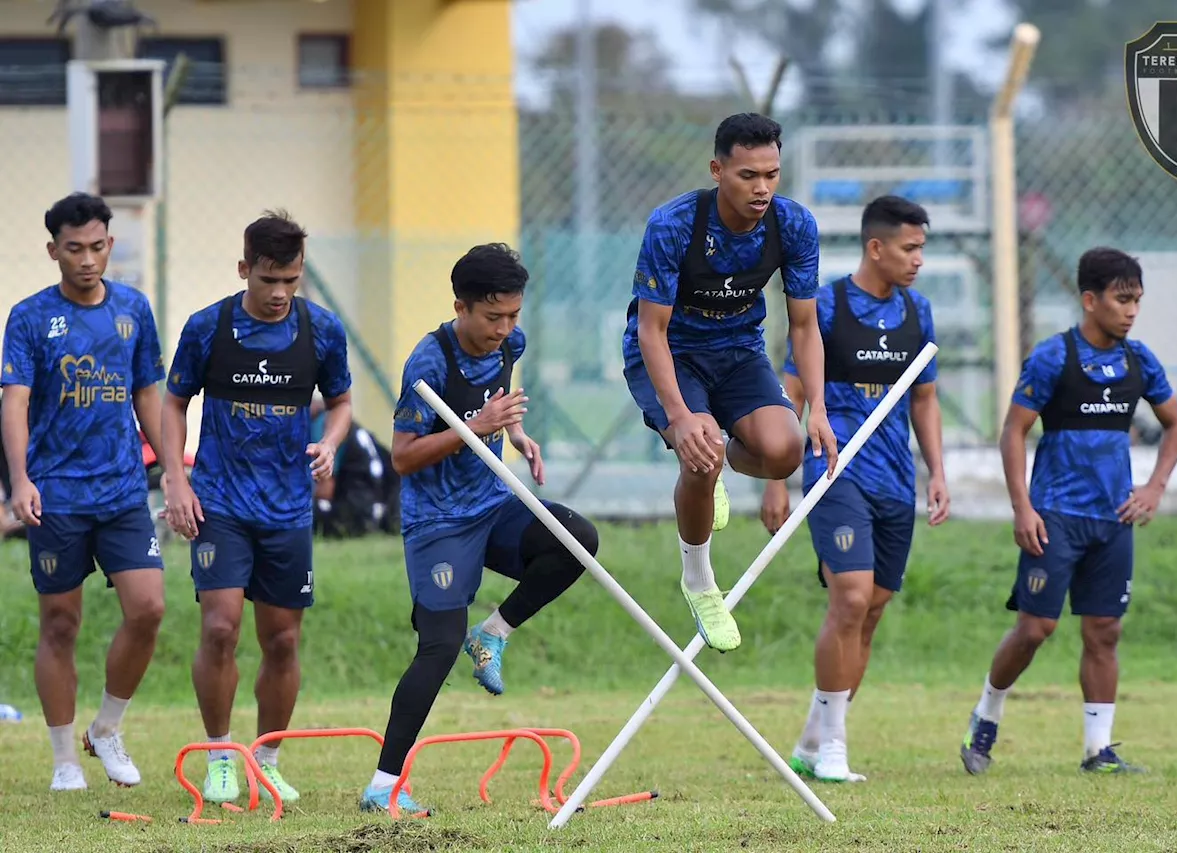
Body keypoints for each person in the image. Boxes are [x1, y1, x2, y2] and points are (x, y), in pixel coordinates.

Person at [359, 243, 595, 814]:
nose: (505, 328)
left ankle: (493, 632)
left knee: (577, 540)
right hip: (438, 522)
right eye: (493, 317)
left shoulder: (509, 343)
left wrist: (514, 434)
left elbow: (498, 401)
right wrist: (476, 424)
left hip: (492, 504)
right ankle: (384, 784)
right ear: (461, 307)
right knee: (437, 648)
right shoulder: (429, 362)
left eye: (514, 315)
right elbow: (403, 457)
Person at [959, 247, 1177, 775]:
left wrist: (1154, 486)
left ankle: (1097, 750)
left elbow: (1176, 424)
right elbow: (1014, 431)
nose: (1131, 311)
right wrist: (1022, 507)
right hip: (1055, 515)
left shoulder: (1139, 361)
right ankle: (985, 715)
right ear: (1090, 300)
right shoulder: (1053, 357)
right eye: (1121, 299)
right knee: (1036, 628)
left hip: (1114, 519)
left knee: (1104, 630)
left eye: (1137, 301)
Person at [622, 112, 837, 653]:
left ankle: (716, 459)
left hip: (739, 350)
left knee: (784, 452)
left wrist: (818, 409)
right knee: (698, 450)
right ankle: (698, 580)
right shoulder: (673, 225)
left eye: (772, 174)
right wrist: (679, 417)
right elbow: (652, 330)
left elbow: (806, 325)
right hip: (671, 353)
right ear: (717, 170)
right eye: (747, 175)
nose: (762, 188)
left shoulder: (794, 225)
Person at [161, 211, 353, 805]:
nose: (278, 294)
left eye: (290, 281)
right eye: (268, 279)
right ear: (245, 269)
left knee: (284, 642)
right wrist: (176, 482)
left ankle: (265, 758)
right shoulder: (207, 328)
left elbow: (342, 401)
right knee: (220, 628)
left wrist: (331, 441)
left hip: (287, 508)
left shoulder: (321, 330)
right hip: (218, 501)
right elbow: (172, 405)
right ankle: (221, 755)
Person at [759, 196, 950, 784]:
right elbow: (789, 393)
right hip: (833, 472)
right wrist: (776, 480)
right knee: (849, 599)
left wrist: (937, 472)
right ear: (876, 246)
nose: (919, 260)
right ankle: (837, 748)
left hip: (896, 482)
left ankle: (814, 741)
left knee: (870, 613)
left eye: (922, 248)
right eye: (909, 248)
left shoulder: (919, 313)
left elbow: (924, 398)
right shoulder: (830, 308)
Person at [1, 192, 167, 791]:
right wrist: (19, 481)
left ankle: (107, 728)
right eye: (75, 249)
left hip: (123, 488)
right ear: (54, 251)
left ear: (110, 245)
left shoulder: (133, 309)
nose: (88, 259)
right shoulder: (28, 317)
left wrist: (172, 469)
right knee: (61, 624)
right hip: (57, 496)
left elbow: (148, 392)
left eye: (98, 246)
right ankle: (64, 758)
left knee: (148, 608)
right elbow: (14, 402)